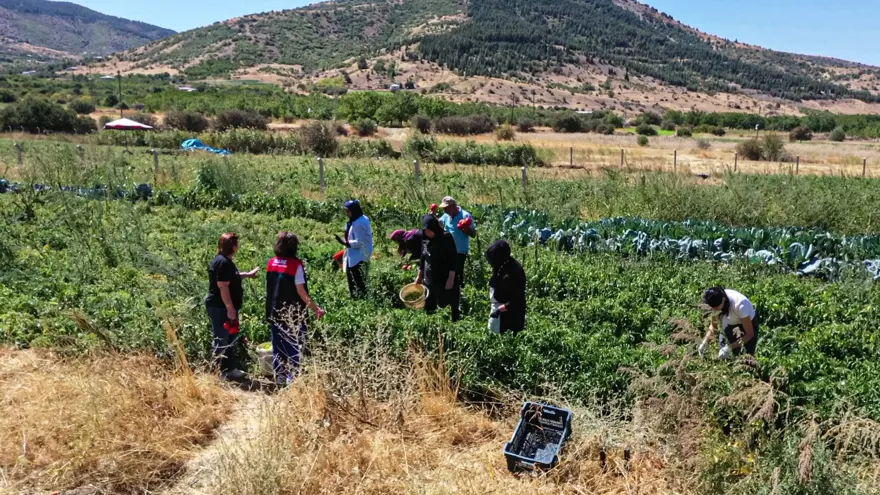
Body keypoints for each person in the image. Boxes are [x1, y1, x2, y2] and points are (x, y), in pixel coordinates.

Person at [266, 232, 325, 385]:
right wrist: (315, 309)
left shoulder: (272, 263)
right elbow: (301, 291)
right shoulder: (295, 265)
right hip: (293, 313)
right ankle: (293, 378)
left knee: (278, 346)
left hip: (274, 310)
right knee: (293, 346)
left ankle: (279, 377)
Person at [205, 233, 260, 382]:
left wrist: (247, 275)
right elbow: (223, 286)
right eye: (236, 244)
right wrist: (230, 308)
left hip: (224, 307)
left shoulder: (225, 261)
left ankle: (229, 370)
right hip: (220, 307)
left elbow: (232, 277)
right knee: (221, 339)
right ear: (234, 247)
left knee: (229, 338)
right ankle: (216, 373)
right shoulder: (222, 263)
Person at [416, 214, 460, 322]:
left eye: (429, 230)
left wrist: (450, 279)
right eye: (425, 231)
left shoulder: (446, 238)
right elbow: (423, 258)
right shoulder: (425, 239)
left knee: (446, 305)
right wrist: (419, 276)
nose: (428, 233)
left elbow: (453, 260)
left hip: (443, 279)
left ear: (435, 228)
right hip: (429, 280)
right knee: (429, 306)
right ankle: (432, 326)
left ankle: (449, 328)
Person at [699, 287, 759, 359]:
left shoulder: (740, 305)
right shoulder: (714, 303)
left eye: (716, 307)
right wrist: (704, 342)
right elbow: (714, 327)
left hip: (748, 325)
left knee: (747, 359)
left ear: (723, 300)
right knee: (725, 357)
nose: (714, 310)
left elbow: (749, 334)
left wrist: (729, 347)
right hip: (730, 324)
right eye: (712, 308)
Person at [485, 240, 527, 334]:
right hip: (500, 308)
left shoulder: (513, 273)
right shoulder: (503, 264)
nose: (490, 263)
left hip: (512, 314)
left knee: (508, 338)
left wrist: (500, 310)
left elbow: (516, 300)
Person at [335, 200, 373, 299]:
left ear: (354, 210)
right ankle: (357, 299)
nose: (346, 213)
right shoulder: (359, 219)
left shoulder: (359, 223)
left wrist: (345, 243)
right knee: (354, 277)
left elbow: (359, 242)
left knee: (357, 279)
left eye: (348, 211)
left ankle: (360, 300)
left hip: (359, 255)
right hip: (356, 254)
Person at [438, 196, 476, 290]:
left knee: (457, 273)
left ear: (453, 206)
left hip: (459, 251)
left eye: (446, 208)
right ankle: (448, 292)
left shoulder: (465, 216)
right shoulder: (446, 216)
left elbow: (473, 234)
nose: (444, 210)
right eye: (443, 208)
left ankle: (460, 292)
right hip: (447, 250)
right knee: (447, 272)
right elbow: (439, 223)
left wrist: (466, 228)